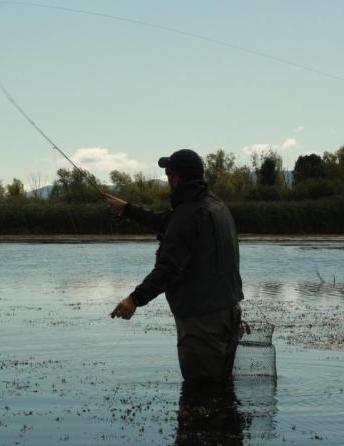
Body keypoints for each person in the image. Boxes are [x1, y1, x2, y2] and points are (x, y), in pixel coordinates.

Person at [105, 149, 244, 386]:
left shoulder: (190, 213)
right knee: (221, 391)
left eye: (169, 174)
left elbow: (168, 268)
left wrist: (134, 299)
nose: (168, 180)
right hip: (229, 313)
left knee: (201, 392)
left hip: (201, 321)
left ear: (176, 178)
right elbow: (167, 222)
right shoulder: (214, 205)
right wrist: (127, 209)